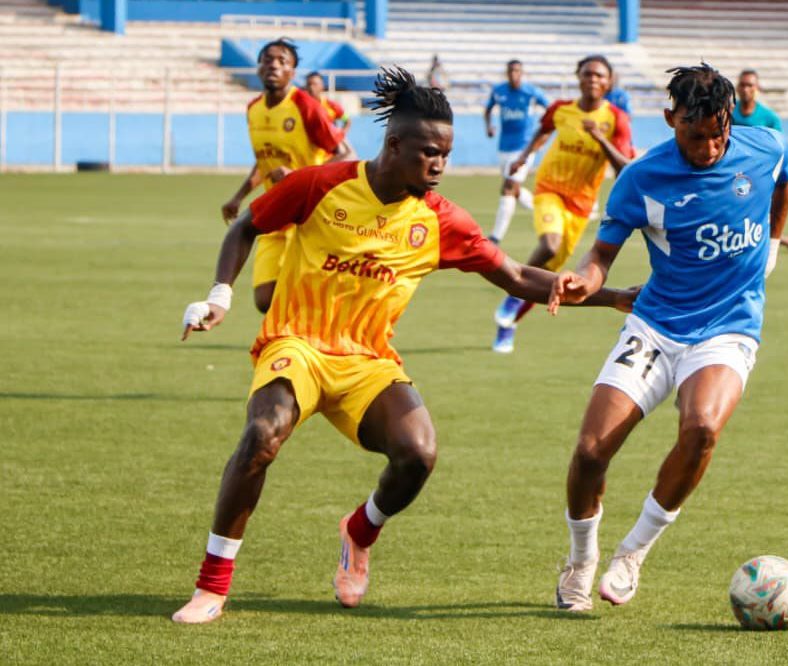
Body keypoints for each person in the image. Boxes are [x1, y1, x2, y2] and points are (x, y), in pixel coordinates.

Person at [171, 67, 635, 625]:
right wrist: (219, 296)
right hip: (297, 342)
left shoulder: (440, 220)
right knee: (263, 433)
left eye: (446, 154)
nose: (439, 165)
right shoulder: (323, 184)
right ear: (393, 145)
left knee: (418, 454)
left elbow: (516, 276)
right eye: (428, 153)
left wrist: (611, 297)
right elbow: (245, 227)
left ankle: (359, 530)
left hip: (367, 360)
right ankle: (211, 587)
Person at [545, 63, 788, 612]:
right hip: (656, 325)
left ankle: (632, 553)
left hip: (728, 326)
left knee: (702, 427)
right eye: (693, 133)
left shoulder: (767, 146)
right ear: (669, 120)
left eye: (718, 132)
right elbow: (601, 257)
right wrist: (583, 280)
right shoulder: (641, 177)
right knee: (590, 452)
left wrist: (772, 245)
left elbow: (784, 182)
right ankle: (581, 561)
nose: (708, 146)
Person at [491, 54, 633, 354]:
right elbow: (543, 130)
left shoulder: (616, 120)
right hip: (550, 189)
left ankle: (509, 325)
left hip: (580, 206)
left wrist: (599, 138)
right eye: (587, 74)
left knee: (550, 279)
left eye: (599, 75)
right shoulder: (560, 109)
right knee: (550, 246)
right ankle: (514, 290)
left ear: (608, 82)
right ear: (578, 77)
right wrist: (523, 158)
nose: (592, 79)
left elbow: (624, 168)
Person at [221, 39, 353, 314]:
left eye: (283, 61)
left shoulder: (305, 105)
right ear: (258, 68)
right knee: (264, 300)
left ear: (293, 73)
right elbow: (264, 161)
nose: (274, 65)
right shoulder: (253, 110)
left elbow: (345, 154)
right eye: (268, 59)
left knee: (301, 292)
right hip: (276, 211)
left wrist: (298, 176)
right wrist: (238, 196)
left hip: (309, 214)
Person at [484, 59, 550, 245]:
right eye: (511, 71)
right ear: (507, 73)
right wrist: (489, 126)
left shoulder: (531, 92)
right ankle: (545, 211)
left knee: (508, 187)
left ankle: (495, 238)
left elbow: (550, 110)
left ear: (522, 73)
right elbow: (488, 109)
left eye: (517, 71)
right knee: (515, 189)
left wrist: (542, 134)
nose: (514, 75)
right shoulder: (499, 91)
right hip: (505, 146)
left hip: (525, 147)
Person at [305, 71, 352, 135]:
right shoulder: (302, 106)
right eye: (309, 84)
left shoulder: (331, 105)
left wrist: (341, 134)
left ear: (322, 86)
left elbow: (347, 120)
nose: (311, 87)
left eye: (315, 84)